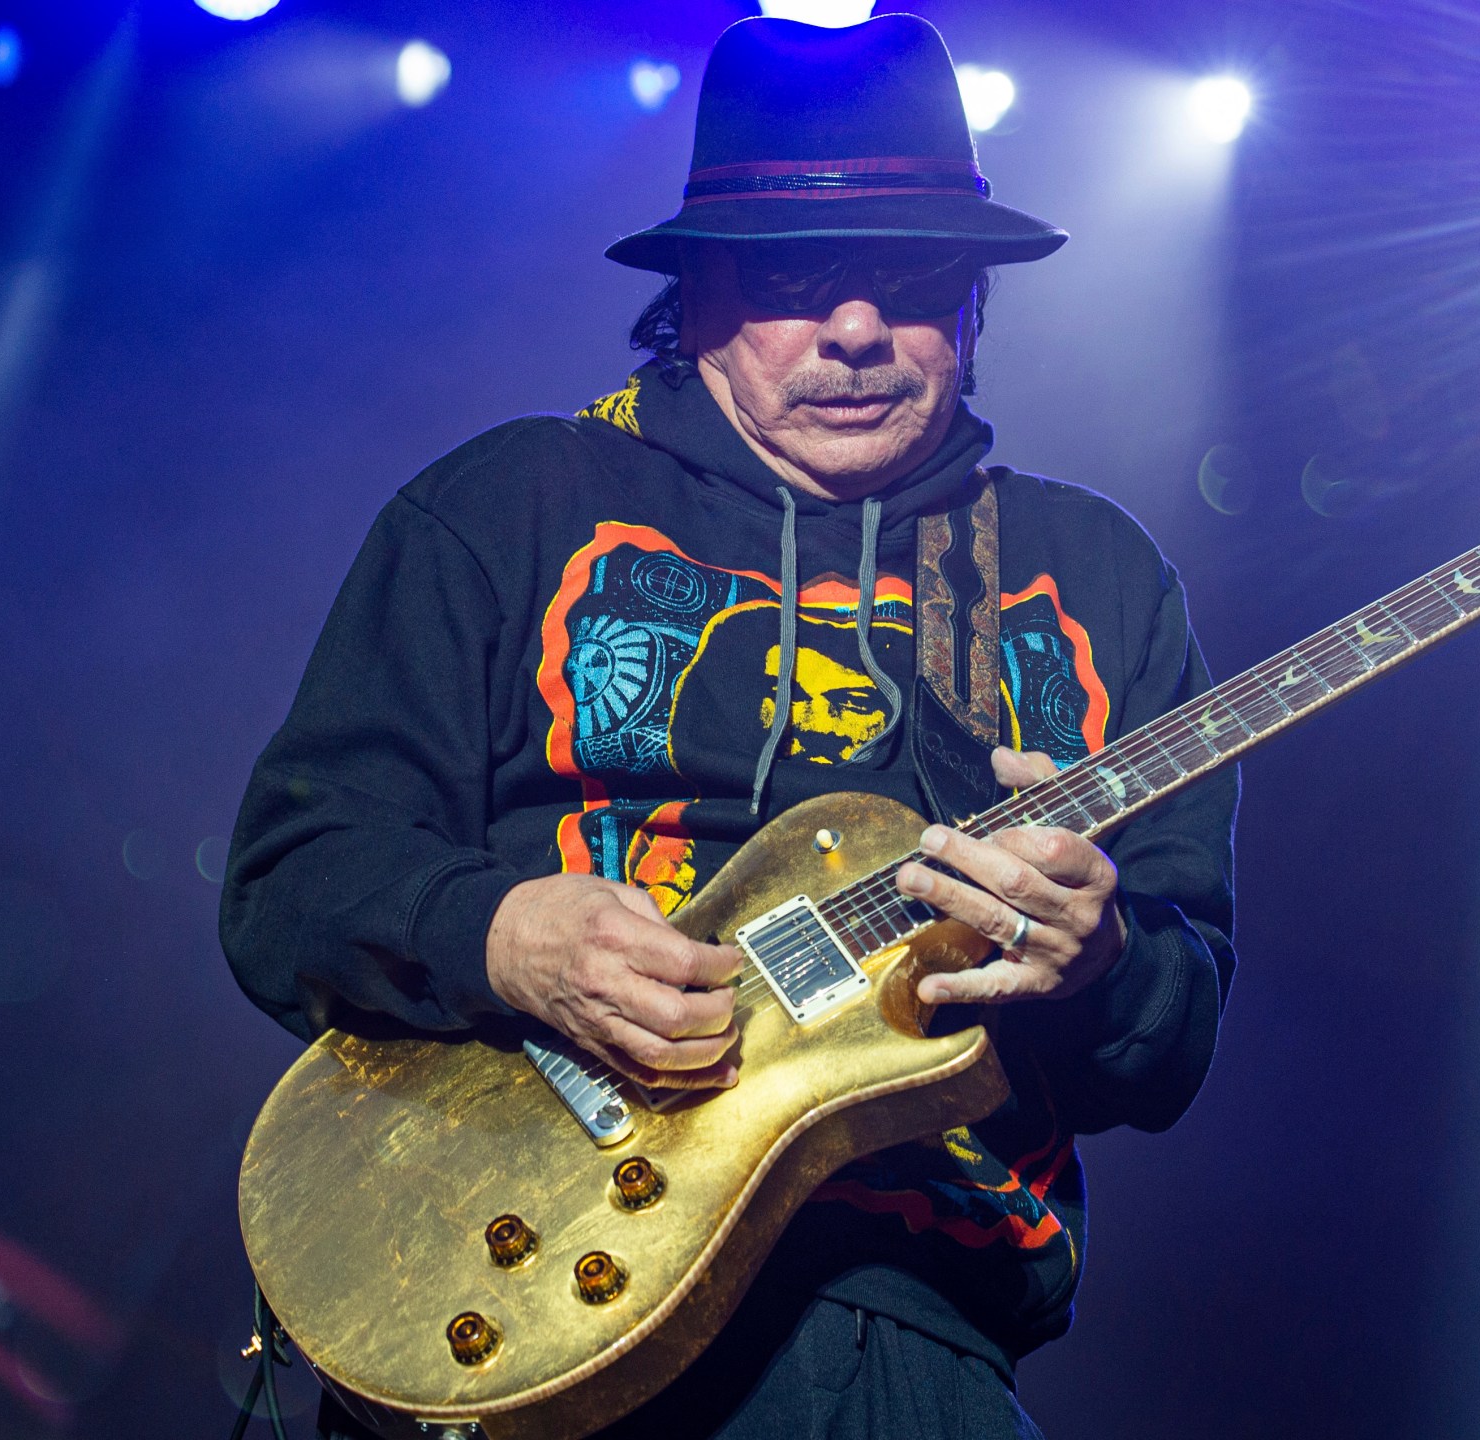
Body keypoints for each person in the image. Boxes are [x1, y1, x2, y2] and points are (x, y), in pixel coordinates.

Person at [221, 15, 1239, 1438]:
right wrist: (503, 936)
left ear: (972, 301)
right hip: (498, 1286)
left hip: (902, 1344)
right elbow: (289, 880)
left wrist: (1105, 958)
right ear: (694, 291)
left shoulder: (1097, 575)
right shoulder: (514, 502)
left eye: (912, 276)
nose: (857, 327)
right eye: (795, 277)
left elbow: (1175, 1042)